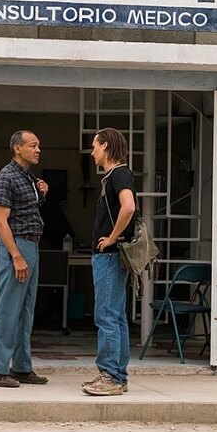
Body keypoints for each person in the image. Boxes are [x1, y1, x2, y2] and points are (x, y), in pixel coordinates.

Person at [0, 130, 50, 388]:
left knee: (25, 311)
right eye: (33, 145)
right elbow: (0, 221)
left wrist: (41, 194)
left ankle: (22, 367)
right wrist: (16, 255)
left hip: (32, 245)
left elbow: (26, 211)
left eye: (39, 146)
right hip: (17, 246)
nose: (38, 150)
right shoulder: (6, 177)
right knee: (8, 309)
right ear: (17, 148)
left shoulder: (28, 177)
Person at [82, 127, 137, 396]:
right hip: (113, 256)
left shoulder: (119, 175)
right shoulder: (116, 176)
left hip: (109, 256)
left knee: (106, 315)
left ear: (105, 146)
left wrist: (112, 238)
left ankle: (110, 376)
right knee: (117, 316)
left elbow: (128, 207)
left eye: (94, 146)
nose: (92, 152)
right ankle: (119, 375)